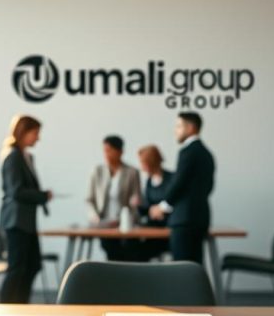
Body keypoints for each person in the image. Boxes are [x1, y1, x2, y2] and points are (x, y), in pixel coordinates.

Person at [0, 115, 52, 303]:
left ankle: (21, 306)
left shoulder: (26, 156)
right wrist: (42, 196)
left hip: (26, 222)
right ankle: (6, 309)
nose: (38, 138)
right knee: (17, 269)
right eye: (35, 133)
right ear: (24, 132)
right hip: (16, 222)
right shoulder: (13, 157)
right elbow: (17, 191)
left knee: (32, 265)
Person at [149, 112, 214, 265]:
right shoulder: (206, 154)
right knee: (195, 267)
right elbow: (209, 187)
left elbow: (179, 183)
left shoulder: (188, 152)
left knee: (182, 269)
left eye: (178, 126)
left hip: (184, 219)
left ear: (190, 128)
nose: (175, 131)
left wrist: (162, 207)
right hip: (200, 217)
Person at [86, 135, 141, 261]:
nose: (106, 154)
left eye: (109, 150)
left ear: (120, 151)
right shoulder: (97, 171)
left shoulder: (132, 172)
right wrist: (94, 216)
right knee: (111, 251)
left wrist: (135, 203)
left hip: (125, 224)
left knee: (130, 251)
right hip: (103, 223)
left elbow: (137, 198)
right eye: (104, 150)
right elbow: (89, 199)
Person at [132, 144, 173, 261]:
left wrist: (161, 209)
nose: (142, 167)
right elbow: (147, 208)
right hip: (152, 230)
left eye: (143, 163)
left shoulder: (172, 179)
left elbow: (176, 203)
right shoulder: (149, 182)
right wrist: (139, 204)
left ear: (151, 162)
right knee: (131, 248)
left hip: (168, 231)